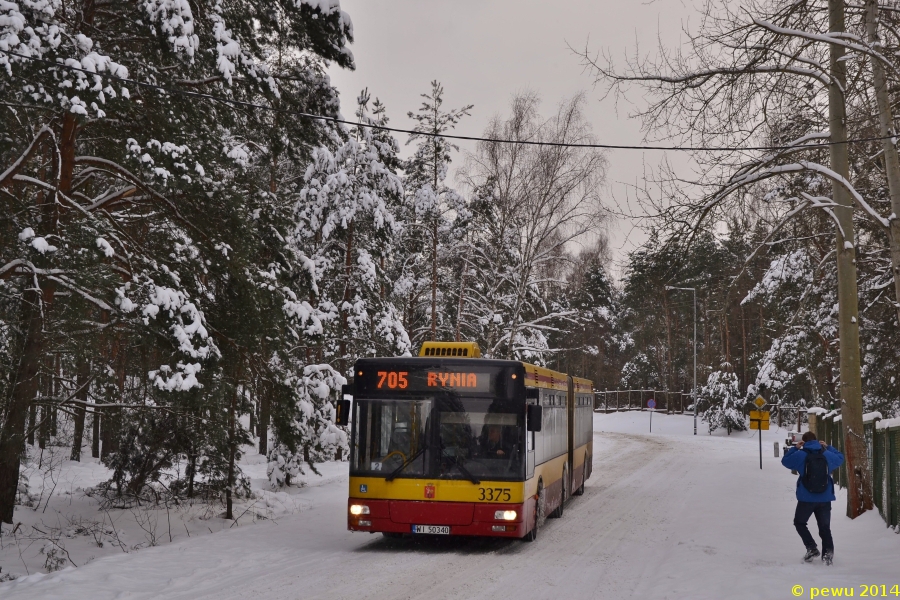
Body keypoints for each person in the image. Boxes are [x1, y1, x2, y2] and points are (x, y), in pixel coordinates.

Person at [781, 431, 845, 565]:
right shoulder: (826, 455)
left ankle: (811, 548)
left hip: (806, 498)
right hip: (825, 498)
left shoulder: (800, 455)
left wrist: (795, 448)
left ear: (804, 441)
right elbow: (840, 458)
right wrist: (828, 447)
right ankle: (827, 555)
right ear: (817, 441)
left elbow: (785, 461)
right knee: (825, 528)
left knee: (799, 523)